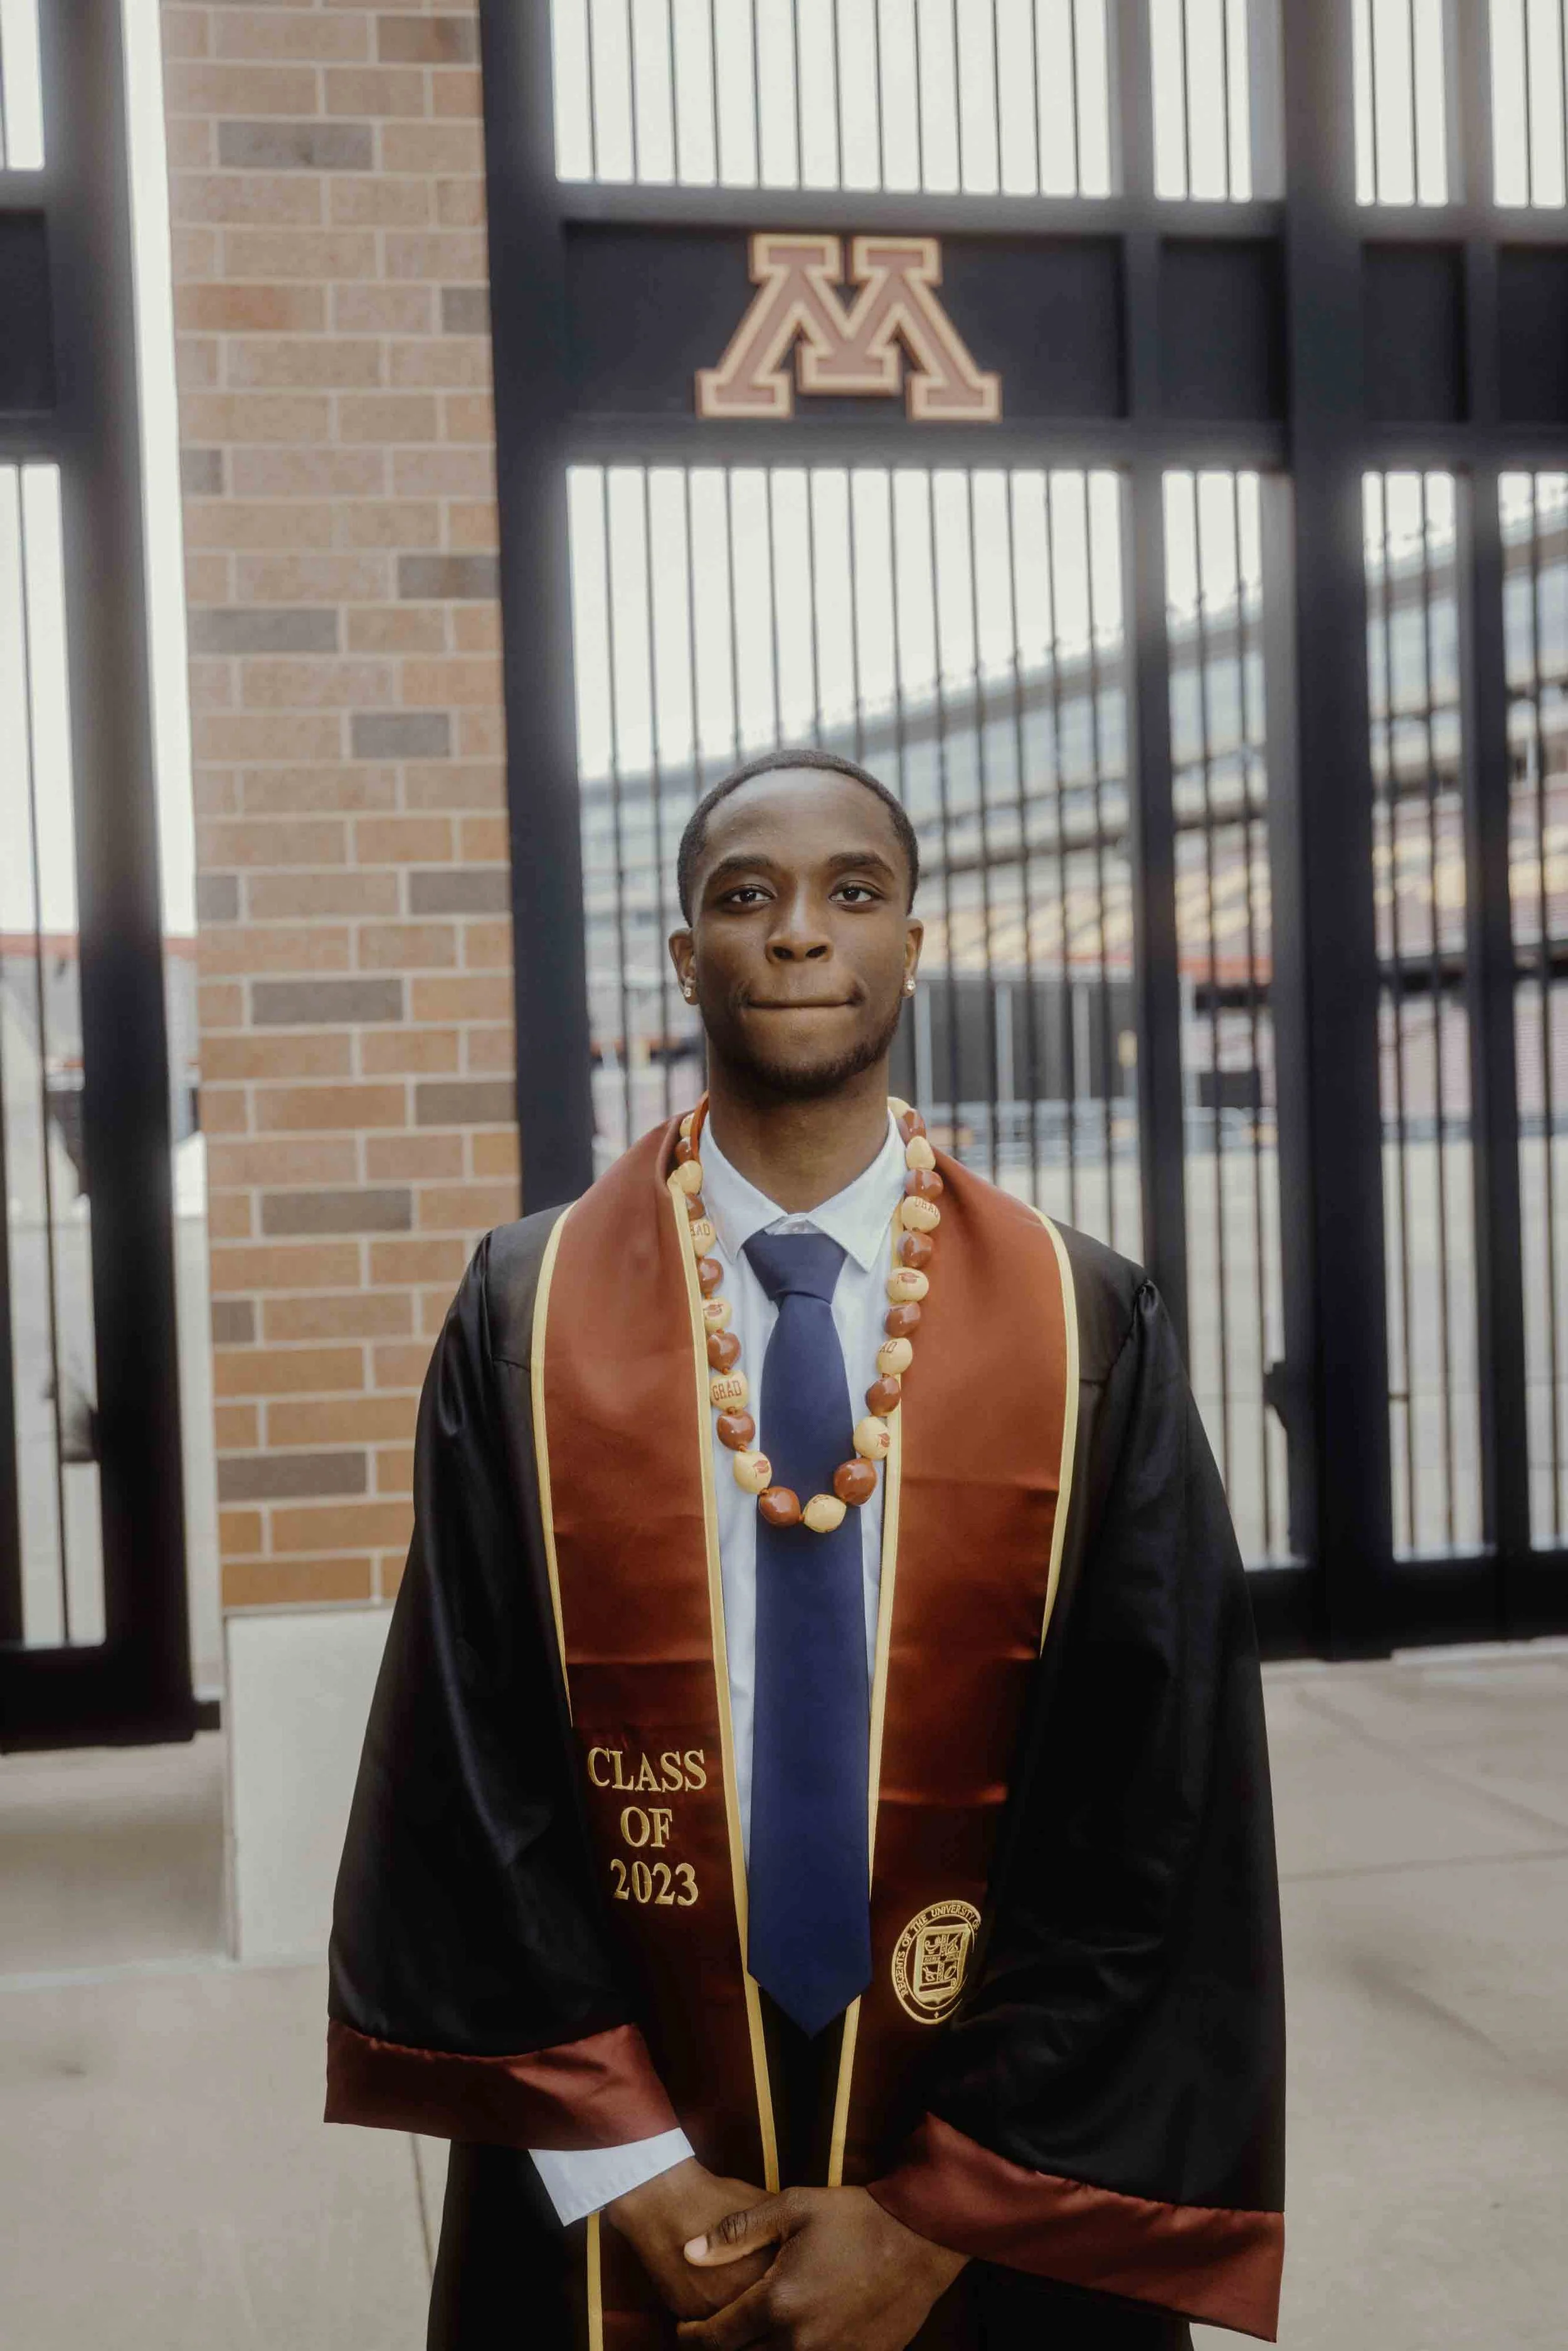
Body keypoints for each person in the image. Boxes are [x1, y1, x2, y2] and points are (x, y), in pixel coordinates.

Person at [326, 746, 1285, 2351]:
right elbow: (463, 1755)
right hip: (617, 2154)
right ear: (681, 951)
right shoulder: (527, 1311)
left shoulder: (1080, 1320)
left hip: (984, 2160)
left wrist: (929, 2219)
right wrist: (625, 2160)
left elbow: (1154, 1799)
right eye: (742, 894)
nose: (796, 933)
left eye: (853, 890)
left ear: (915, 938)